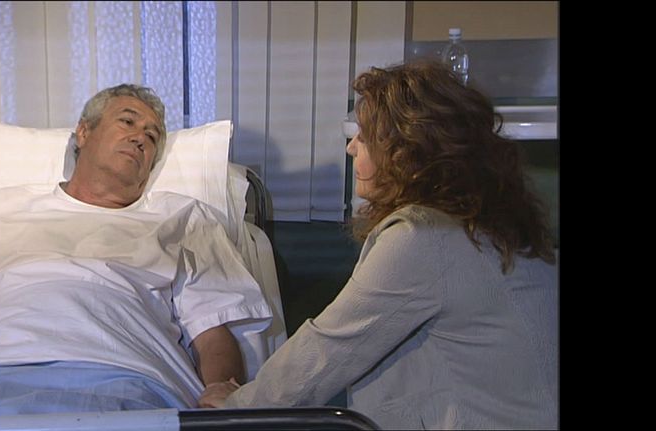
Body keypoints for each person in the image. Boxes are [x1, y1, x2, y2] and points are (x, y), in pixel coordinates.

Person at [199, 59, 558, 429]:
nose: (352, 148)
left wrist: (238, 406)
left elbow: (329, 348)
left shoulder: (422, 237)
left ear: (405, 152)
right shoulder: (495, 222)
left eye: (364, 136)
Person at [0, 84, 271, 414]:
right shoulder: (4, 207)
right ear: (83, 132)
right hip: (2, 364)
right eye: (127, 122)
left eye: (151, 137)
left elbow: (213, 326)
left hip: (128, 377)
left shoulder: (180, 218)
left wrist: (221, 390)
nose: (140, 138)